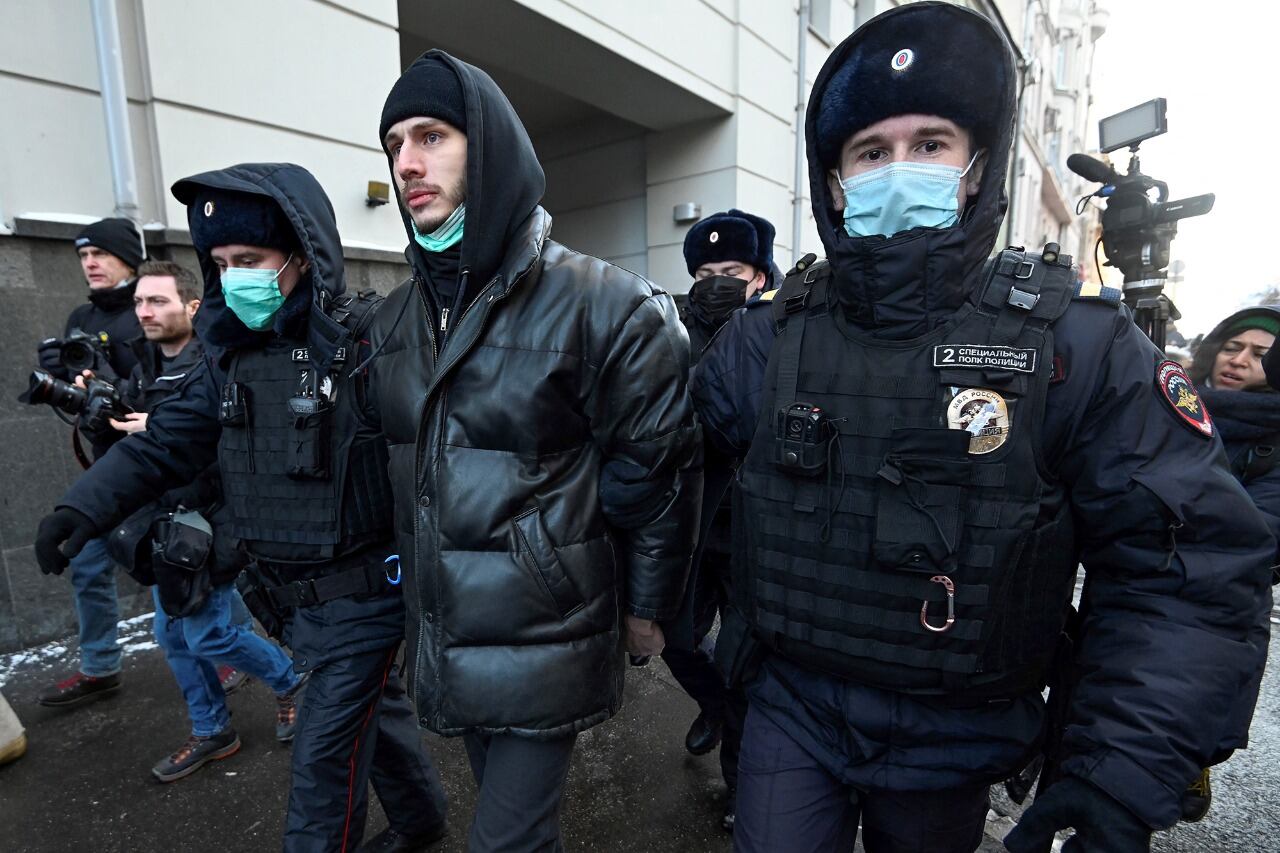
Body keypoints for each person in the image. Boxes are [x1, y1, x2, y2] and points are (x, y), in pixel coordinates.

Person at [688, 4, 1274, 852]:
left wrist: (1119, 769)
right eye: (870, 152)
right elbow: (674, 466)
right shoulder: (767, 335)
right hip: (791, 714)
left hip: (954, 738)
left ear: (977, 164)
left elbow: (1183, 567)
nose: (900, 169)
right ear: (835, 179)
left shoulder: (1076, 343)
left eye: (930, 144)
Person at [34, 165, 448, 852]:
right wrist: (79, 511)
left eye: (250, 260)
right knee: (379, 718)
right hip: (290, 597)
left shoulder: (367, 341)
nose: (233, 278)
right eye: (221, 263)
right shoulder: (228, 358)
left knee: (321, 766)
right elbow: (162, 444)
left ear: (303, 255)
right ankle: (420, 821)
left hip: (368, 596)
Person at [369, 51, 701, 851]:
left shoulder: (605, 305)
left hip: (550, 627)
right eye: (392, 146)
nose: (407, 162)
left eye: (430, 135)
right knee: (517, 830)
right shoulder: (389, 324)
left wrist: (647, 607)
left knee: (503, 841)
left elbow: (657, 470)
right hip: (450, 632)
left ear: (489, 146)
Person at [86, 260, 302, 783]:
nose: (145, 312)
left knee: (205, 636)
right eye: (139, 302)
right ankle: (212, 729)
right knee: (173, 634)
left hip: (212, 526)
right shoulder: (141, 367)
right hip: (165, 529)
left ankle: (291, 682)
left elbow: (239, 446)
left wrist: (162, 429)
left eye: (158, 301)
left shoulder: (217, 365)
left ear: (191, 306)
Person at [667, 209, 779, 832]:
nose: (716, 282)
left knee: (745, 668)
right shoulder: (672, 331)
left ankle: (740, 784)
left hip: (758, 534)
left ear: (759, 275)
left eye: (730, 271)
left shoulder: (786, 330)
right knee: (675, 637)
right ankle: (712, 702)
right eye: (706, 272)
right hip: (696, 522)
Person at [35, 217, 145, 710]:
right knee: (86, 565)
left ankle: (225, 655)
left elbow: (166, 384)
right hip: (105, 465)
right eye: (83, 256)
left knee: (181, 565)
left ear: (129, 257)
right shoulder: (82, 317)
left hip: (154, 462)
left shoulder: (150, 307)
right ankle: (101, 668)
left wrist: (112, 378)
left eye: (99, 253)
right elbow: (80, 399)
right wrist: (61, 381)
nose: (90, 264)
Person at [1179, 306, 1280, 821]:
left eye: (1259, 355)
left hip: (1225, 605)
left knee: (1197, 714)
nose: (1238, 361)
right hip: (1138, 584)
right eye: (1232, 346)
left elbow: (1258, 532)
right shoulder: (1173, 407)